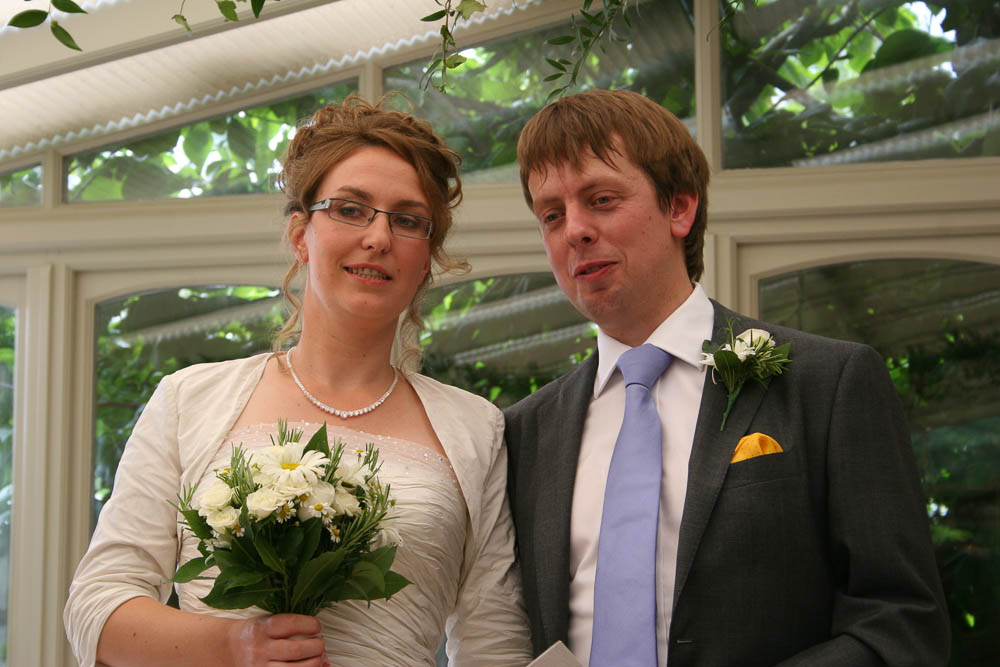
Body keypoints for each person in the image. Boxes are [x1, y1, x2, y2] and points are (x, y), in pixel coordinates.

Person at [65, 95, 533, 667]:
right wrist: (234, 646)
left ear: (426, 258)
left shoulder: (475, 427)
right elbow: (98, 606)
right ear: (299, 234)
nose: (379, 237)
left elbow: (495, 640)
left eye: (408, 220)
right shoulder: (191, 399)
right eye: (351, 209)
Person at [503, 89, 950, 666]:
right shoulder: (525, 432)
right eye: (552, 215)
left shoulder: (828, 383)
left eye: (602, 199)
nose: (575, 230)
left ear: (680, 208)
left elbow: (902, 623)